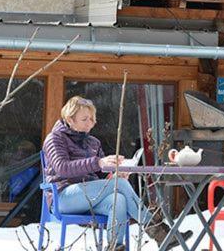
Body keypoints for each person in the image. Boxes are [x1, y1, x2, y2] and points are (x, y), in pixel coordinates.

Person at [43, 96, 192, 250]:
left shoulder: (93, 142)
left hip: (91, 197)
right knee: (119, 185)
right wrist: (99, 162)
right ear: (70, 119)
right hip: (63, 197)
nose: (90, 123)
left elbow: (100, 175)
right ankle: (159, 232)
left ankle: (116, 246)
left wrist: (113, 175)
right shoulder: (55, 138)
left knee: (118, 199)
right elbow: (62, 167)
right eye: (85, 119)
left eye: (92, 119)